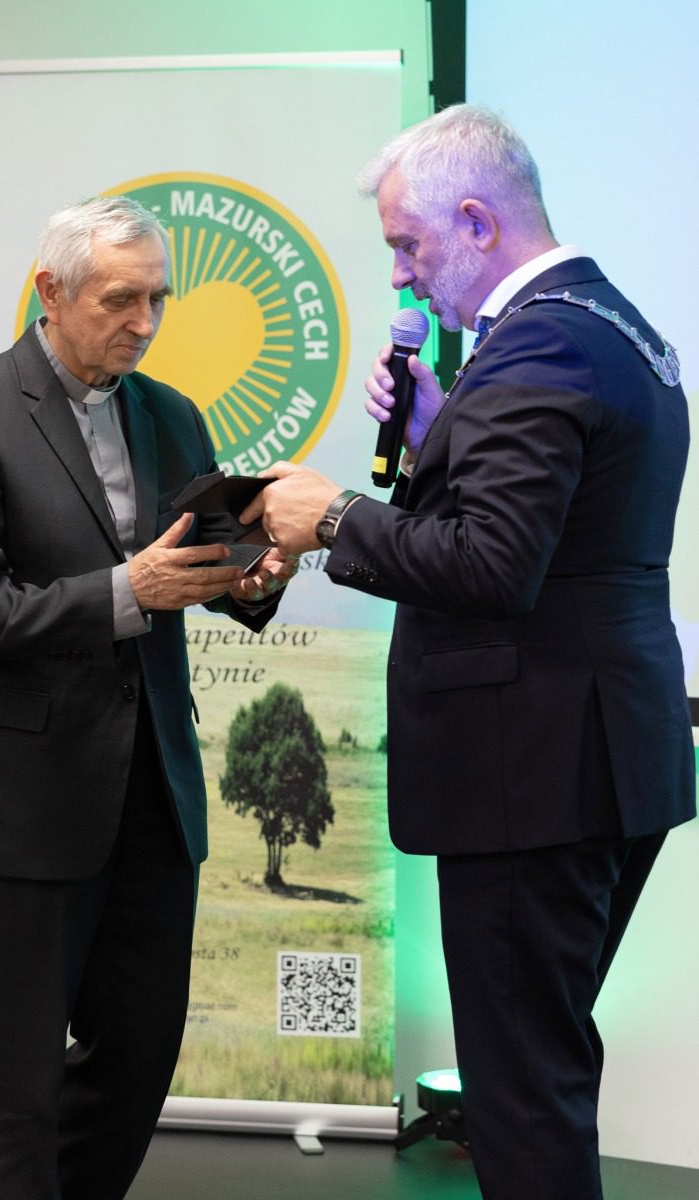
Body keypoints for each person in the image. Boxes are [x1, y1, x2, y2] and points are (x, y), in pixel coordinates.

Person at [238, 105, 695, 1199]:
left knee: (519, 1091)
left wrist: (333, 517)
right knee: (542, 1061)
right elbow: (564, 531)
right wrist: (444, 427)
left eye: (409, 244)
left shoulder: (536, 341)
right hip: (603, 755)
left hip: (531, 770)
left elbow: (493, 567)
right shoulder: (610, 325)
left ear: (479, 222)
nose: (401, 275)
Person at [0, 195, 295, 1200]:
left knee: (138, 1056)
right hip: (25, 800)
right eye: (121, 300)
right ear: (50, 291)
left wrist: (256, 580)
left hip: (154, 798)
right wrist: (130, 592)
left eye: (157, 299)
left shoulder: (172, 413)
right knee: (18, 1076)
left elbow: (212, 568)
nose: (145, 321)